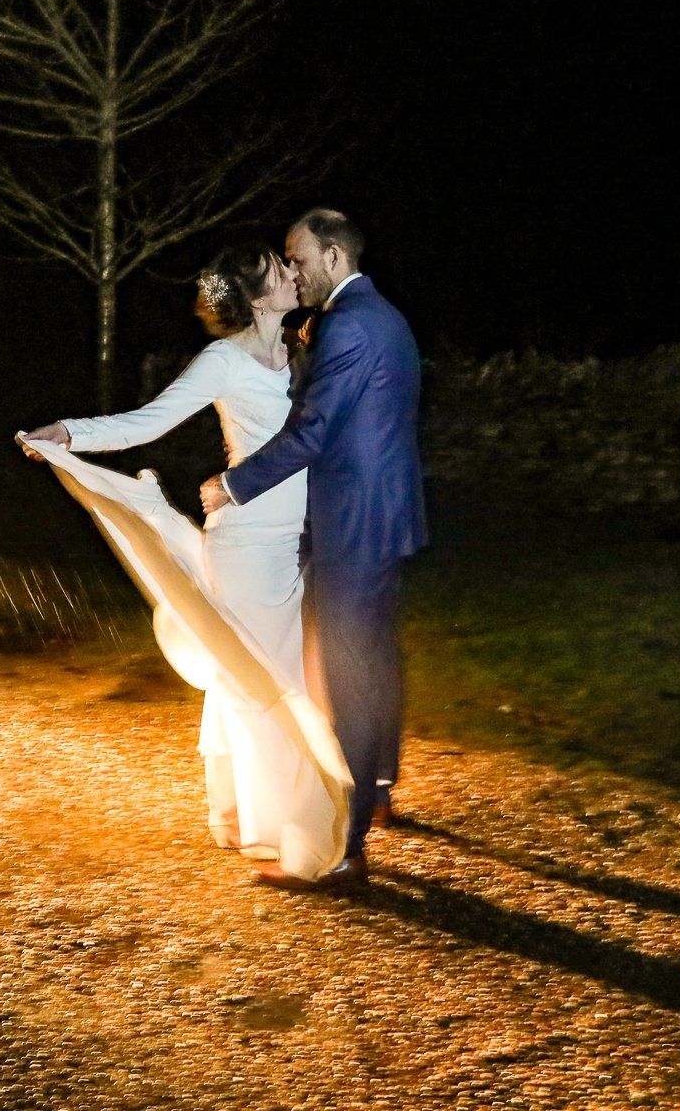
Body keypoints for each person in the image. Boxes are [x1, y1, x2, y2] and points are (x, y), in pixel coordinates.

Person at [23, 241, 338, 875]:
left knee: (243, 672)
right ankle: (275, 829)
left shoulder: (297, 350)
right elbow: (148, 421)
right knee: (262, 680)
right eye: (278, 268)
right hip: (247, 545)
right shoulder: (222, 360)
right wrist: (71, 432)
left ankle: (230, 811)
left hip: (288, 542)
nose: (291, 272)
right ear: (256, 298)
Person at [201, 208, 426, 890]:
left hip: (353, 524)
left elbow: (313, 432)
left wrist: (234, 485)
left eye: (298, 260)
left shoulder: (350, 324)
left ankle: (343, 849)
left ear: (332, 256)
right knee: (374, 659)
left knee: (347, 677)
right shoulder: (384, 316)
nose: (293, 272)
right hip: (384, 517)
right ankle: (379, 787)